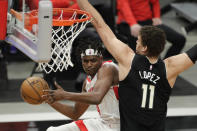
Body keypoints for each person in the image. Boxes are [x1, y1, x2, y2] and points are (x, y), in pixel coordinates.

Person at [76, 0, 197, 131]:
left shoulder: (128, 59)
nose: (136, 43)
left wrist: (82, 1)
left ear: (144, 48)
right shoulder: (170, 67)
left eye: (138, 41)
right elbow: (194, 51)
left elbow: (100, 25)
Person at [43, 38, 120, 131]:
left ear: (100, 59)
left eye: (93, 60)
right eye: (86, 61)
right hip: (103, 123)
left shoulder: (108, 68)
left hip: (122, 125)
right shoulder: (87, 83)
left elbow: (97, 97)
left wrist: (64, 95)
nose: (89, 64)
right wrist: (49, 100)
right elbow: (75, 113)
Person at [116, 0, 186, 59]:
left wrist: (156, 16)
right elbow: (123, 6)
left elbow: (155, 2)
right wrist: (132, 24)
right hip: (127, 23)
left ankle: (165, 68)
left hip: (147, 22)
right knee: (149, 53)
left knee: (180, 40)